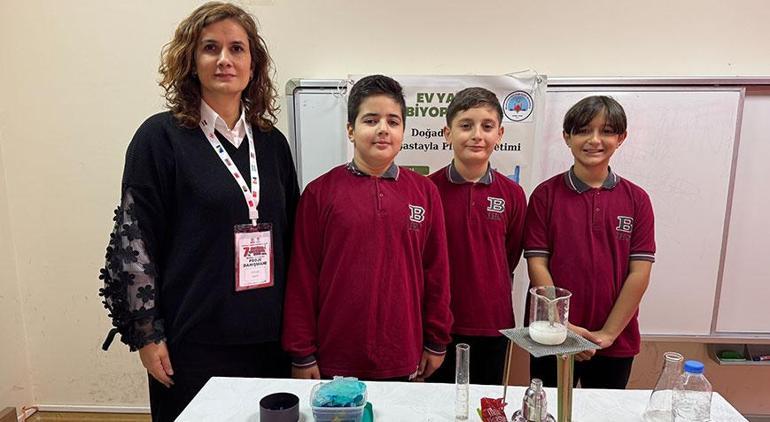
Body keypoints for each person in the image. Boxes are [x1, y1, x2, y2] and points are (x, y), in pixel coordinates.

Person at [98, 3, 299, 420]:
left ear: (253, 64)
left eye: (237, 48)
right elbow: (135, 242)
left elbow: (293, 240)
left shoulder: (272, 143)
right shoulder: (160, 138)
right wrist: (147, 333)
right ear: (191, 61)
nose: (225, 59)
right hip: (193, 342)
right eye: (210, 48)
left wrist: (301, 338)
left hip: (270, 340)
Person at [281, 75, 452, 381]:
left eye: (393, 121)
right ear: (351, 129)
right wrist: (301, 351)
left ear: (403, 131)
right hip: (334, 358)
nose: (383, 129)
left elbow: (436, 272)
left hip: (403, 353)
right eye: (371, 120)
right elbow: (302, 276)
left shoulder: (425, 192)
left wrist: (436, 340)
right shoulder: (319, 193)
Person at [523, 96, 655, 389]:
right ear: (567, 137)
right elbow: (538, 266)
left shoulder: (637, 199)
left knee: (604, 410)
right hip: (552, 335)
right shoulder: (545, 195)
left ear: (621, 138)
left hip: (615, 340)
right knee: (548, 408)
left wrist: (607, 334)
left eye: (606, 131)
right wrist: (563, 326)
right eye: (583, 130)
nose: (594, 140)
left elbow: (640, 273)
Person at [427, 87, 527, 385]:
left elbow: (510, 254)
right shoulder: (427, 190)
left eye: (487, 126)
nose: (477, 135)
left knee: (487, 403)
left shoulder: (513, 194)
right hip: (439, 325)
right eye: (466, 125)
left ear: (500, 134)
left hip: (493, 323)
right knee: (436, 404)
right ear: (447, 133)